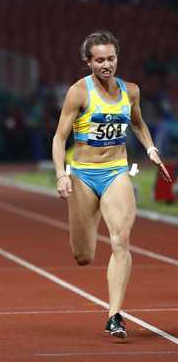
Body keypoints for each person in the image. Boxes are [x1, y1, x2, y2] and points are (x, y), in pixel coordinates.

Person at [52, 31, 172, 339]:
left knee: (121, 238)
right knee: (83, 256)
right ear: (88, 61)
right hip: (82, 174)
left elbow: (138, 122)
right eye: (100, 60)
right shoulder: (78, 93)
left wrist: (151, 149)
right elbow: (59, 137)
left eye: (111, 58)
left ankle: (115, 315)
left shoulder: (130, 91)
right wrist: (61, 174)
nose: (107, 65)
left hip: (117, 170)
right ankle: (108, 300)